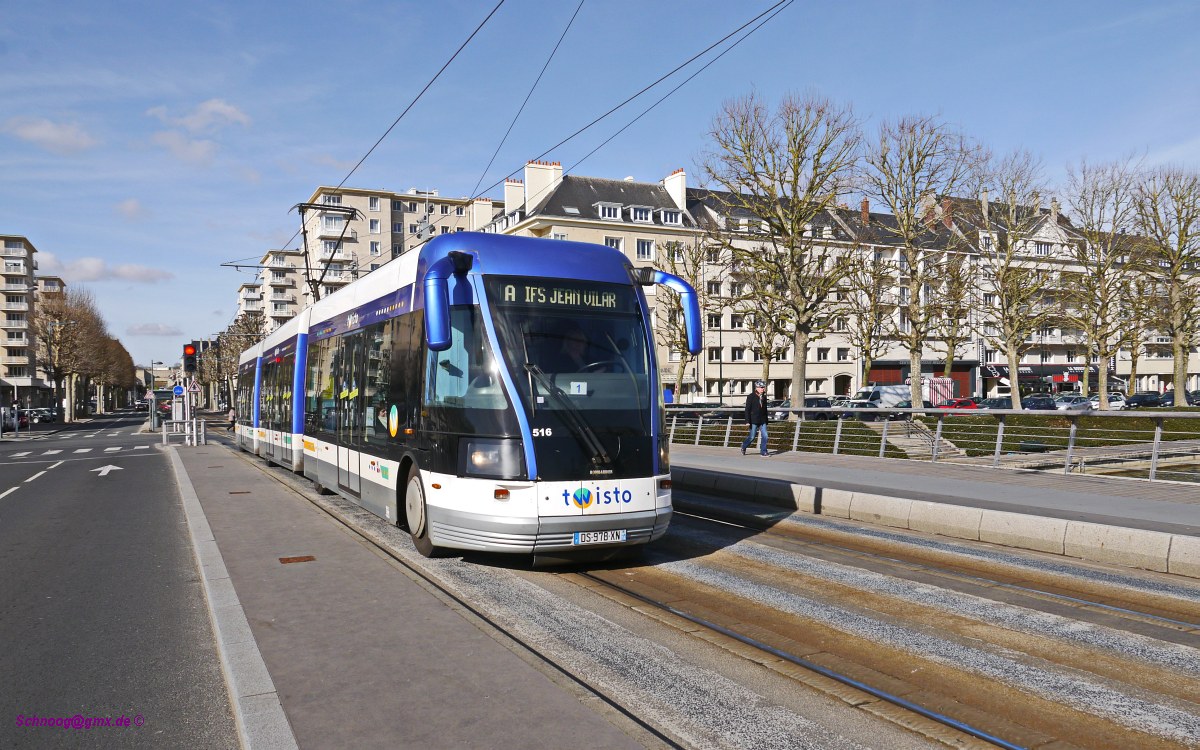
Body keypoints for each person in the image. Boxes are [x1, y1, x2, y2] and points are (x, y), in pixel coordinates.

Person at [741, 380, 770, 456]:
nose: (763, 389)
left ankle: (763, 451)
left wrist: (766, 420)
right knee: (752, 437)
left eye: (763, 387)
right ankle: (744, 446)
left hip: (762, 420)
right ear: (757, 388)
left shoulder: (764, 397)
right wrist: (747, 421)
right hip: (754, 420)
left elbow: (765, 409)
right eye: (761, 387)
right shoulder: (751, 396)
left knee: (765, 436)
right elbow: (747, 409)